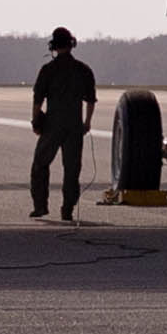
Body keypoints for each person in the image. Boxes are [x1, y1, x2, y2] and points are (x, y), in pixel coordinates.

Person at [27, 27, 97, 223]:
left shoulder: (48, 70)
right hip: (74, 125)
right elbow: (90, 100)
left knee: (40, 164)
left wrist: (35, 121)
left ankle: (40, 206)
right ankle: (67, 209)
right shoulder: (84, 70)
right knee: (72, 169)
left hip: (52, 125)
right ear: (71, 44)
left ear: (53, 46)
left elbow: (38, 100)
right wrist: (87, 123)